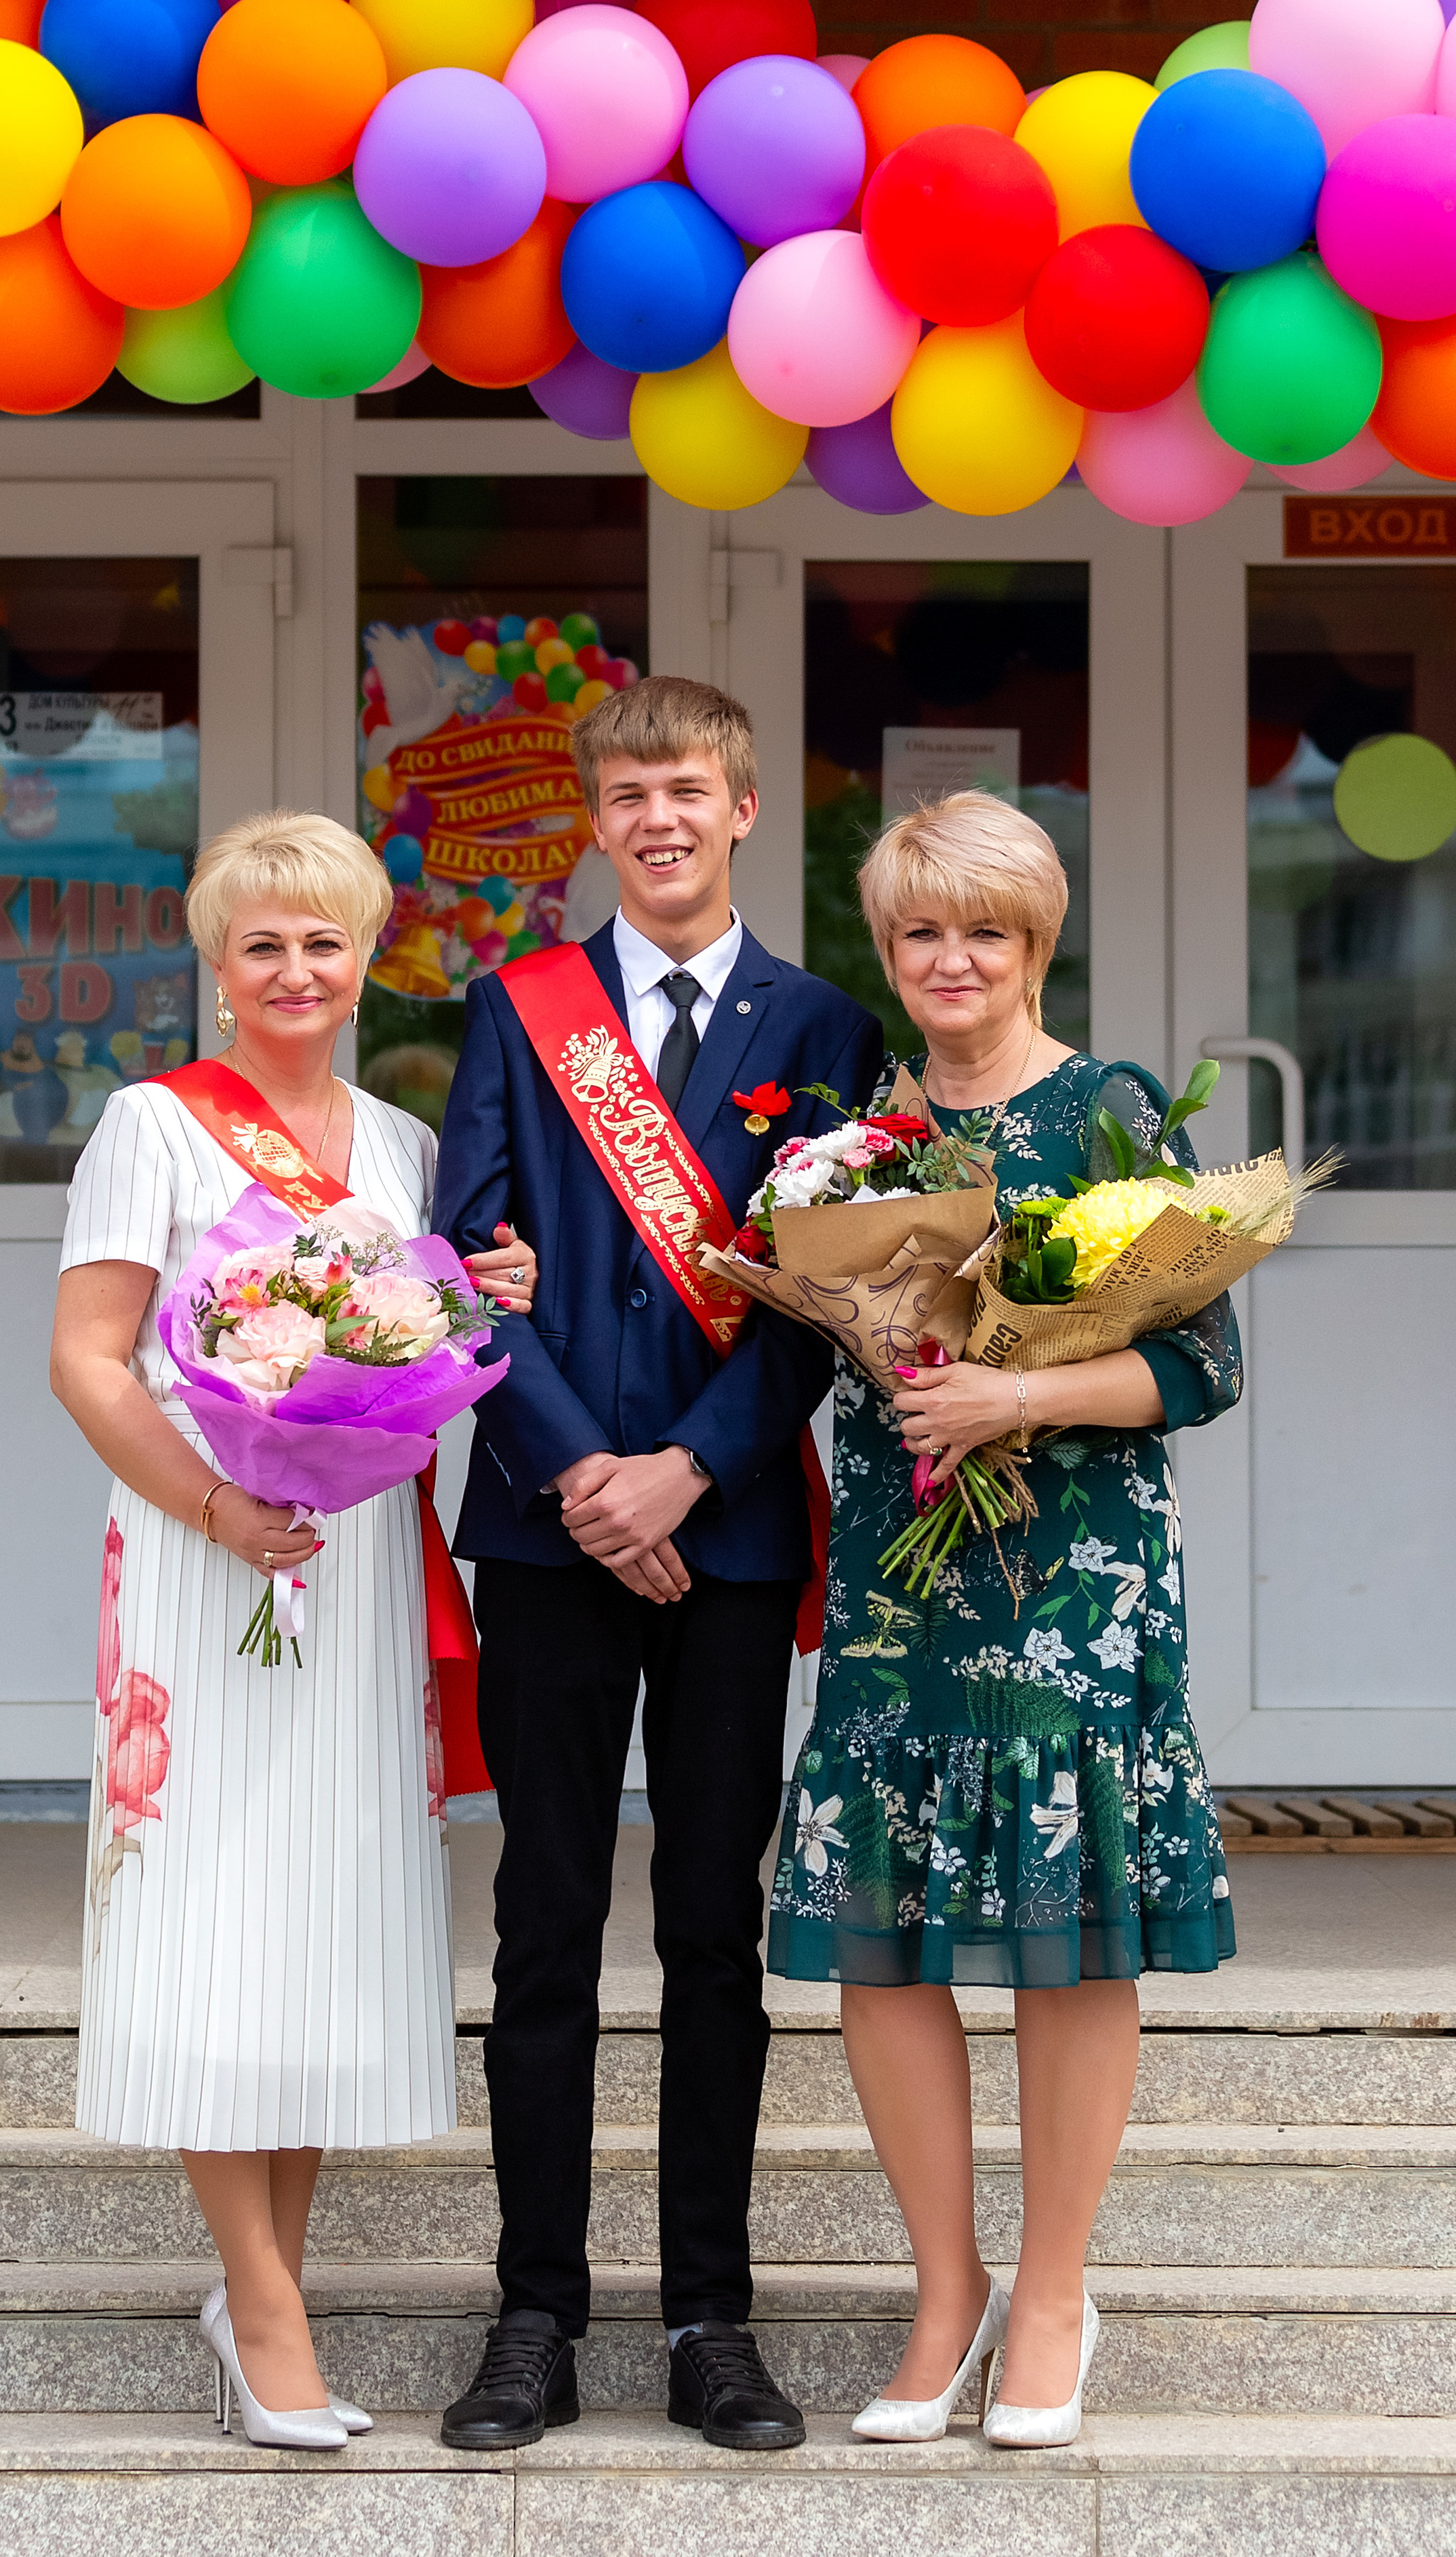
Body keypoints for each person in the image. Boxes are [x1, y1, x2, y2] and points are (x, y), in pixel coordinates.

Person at [49, 809, 539, 2449]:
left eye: (322, 941)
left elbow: (434, 1344)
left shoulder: (398, 1147)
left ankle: (268, 2281)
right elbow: (93, 1360)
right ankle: (264, 2308)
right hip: (206, 1564)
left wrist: (500, 1292)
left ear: (364, 954)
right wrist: (212, 1507)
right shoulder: (154, 1128)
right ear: (215, 963)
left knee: (317, 1919)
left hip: (350, 1565)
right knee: (208, 1902)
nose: (294, 970)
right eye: (261, 943)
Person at [432, 677, 883, 2454]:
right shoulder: (516, 1011)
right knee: (545, 1924)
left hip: (738, 1524)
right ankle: (533, 2310)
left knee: (712, 1927)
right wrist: (587, 1481)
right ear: (597, 818)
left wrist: (688, 1468)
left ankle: (711, 2315)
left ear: (746, 808)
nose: (659, 819)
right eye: (628, 793)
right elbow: (469, 1256)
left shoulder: (826, 1024)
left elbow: (833, 1289)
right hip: (550, 1532)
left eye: (687, 789)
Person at [769, 794, 1239, 2451]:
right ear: (886, 953)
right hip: (905, 1565)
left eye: (984, 929)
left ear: (1032, 942)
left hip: (1071, 1581)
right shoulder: (855, 1143)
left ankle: (1052, 2292)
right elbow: (823, 1334)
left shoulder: (1107, 1111)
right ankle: (943, 2291)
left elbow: (1198, 1365)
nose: (950, 958)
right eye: (919, 931)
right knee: (882, 1937)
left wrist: (1013, 1394)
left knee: (1066, 1930)